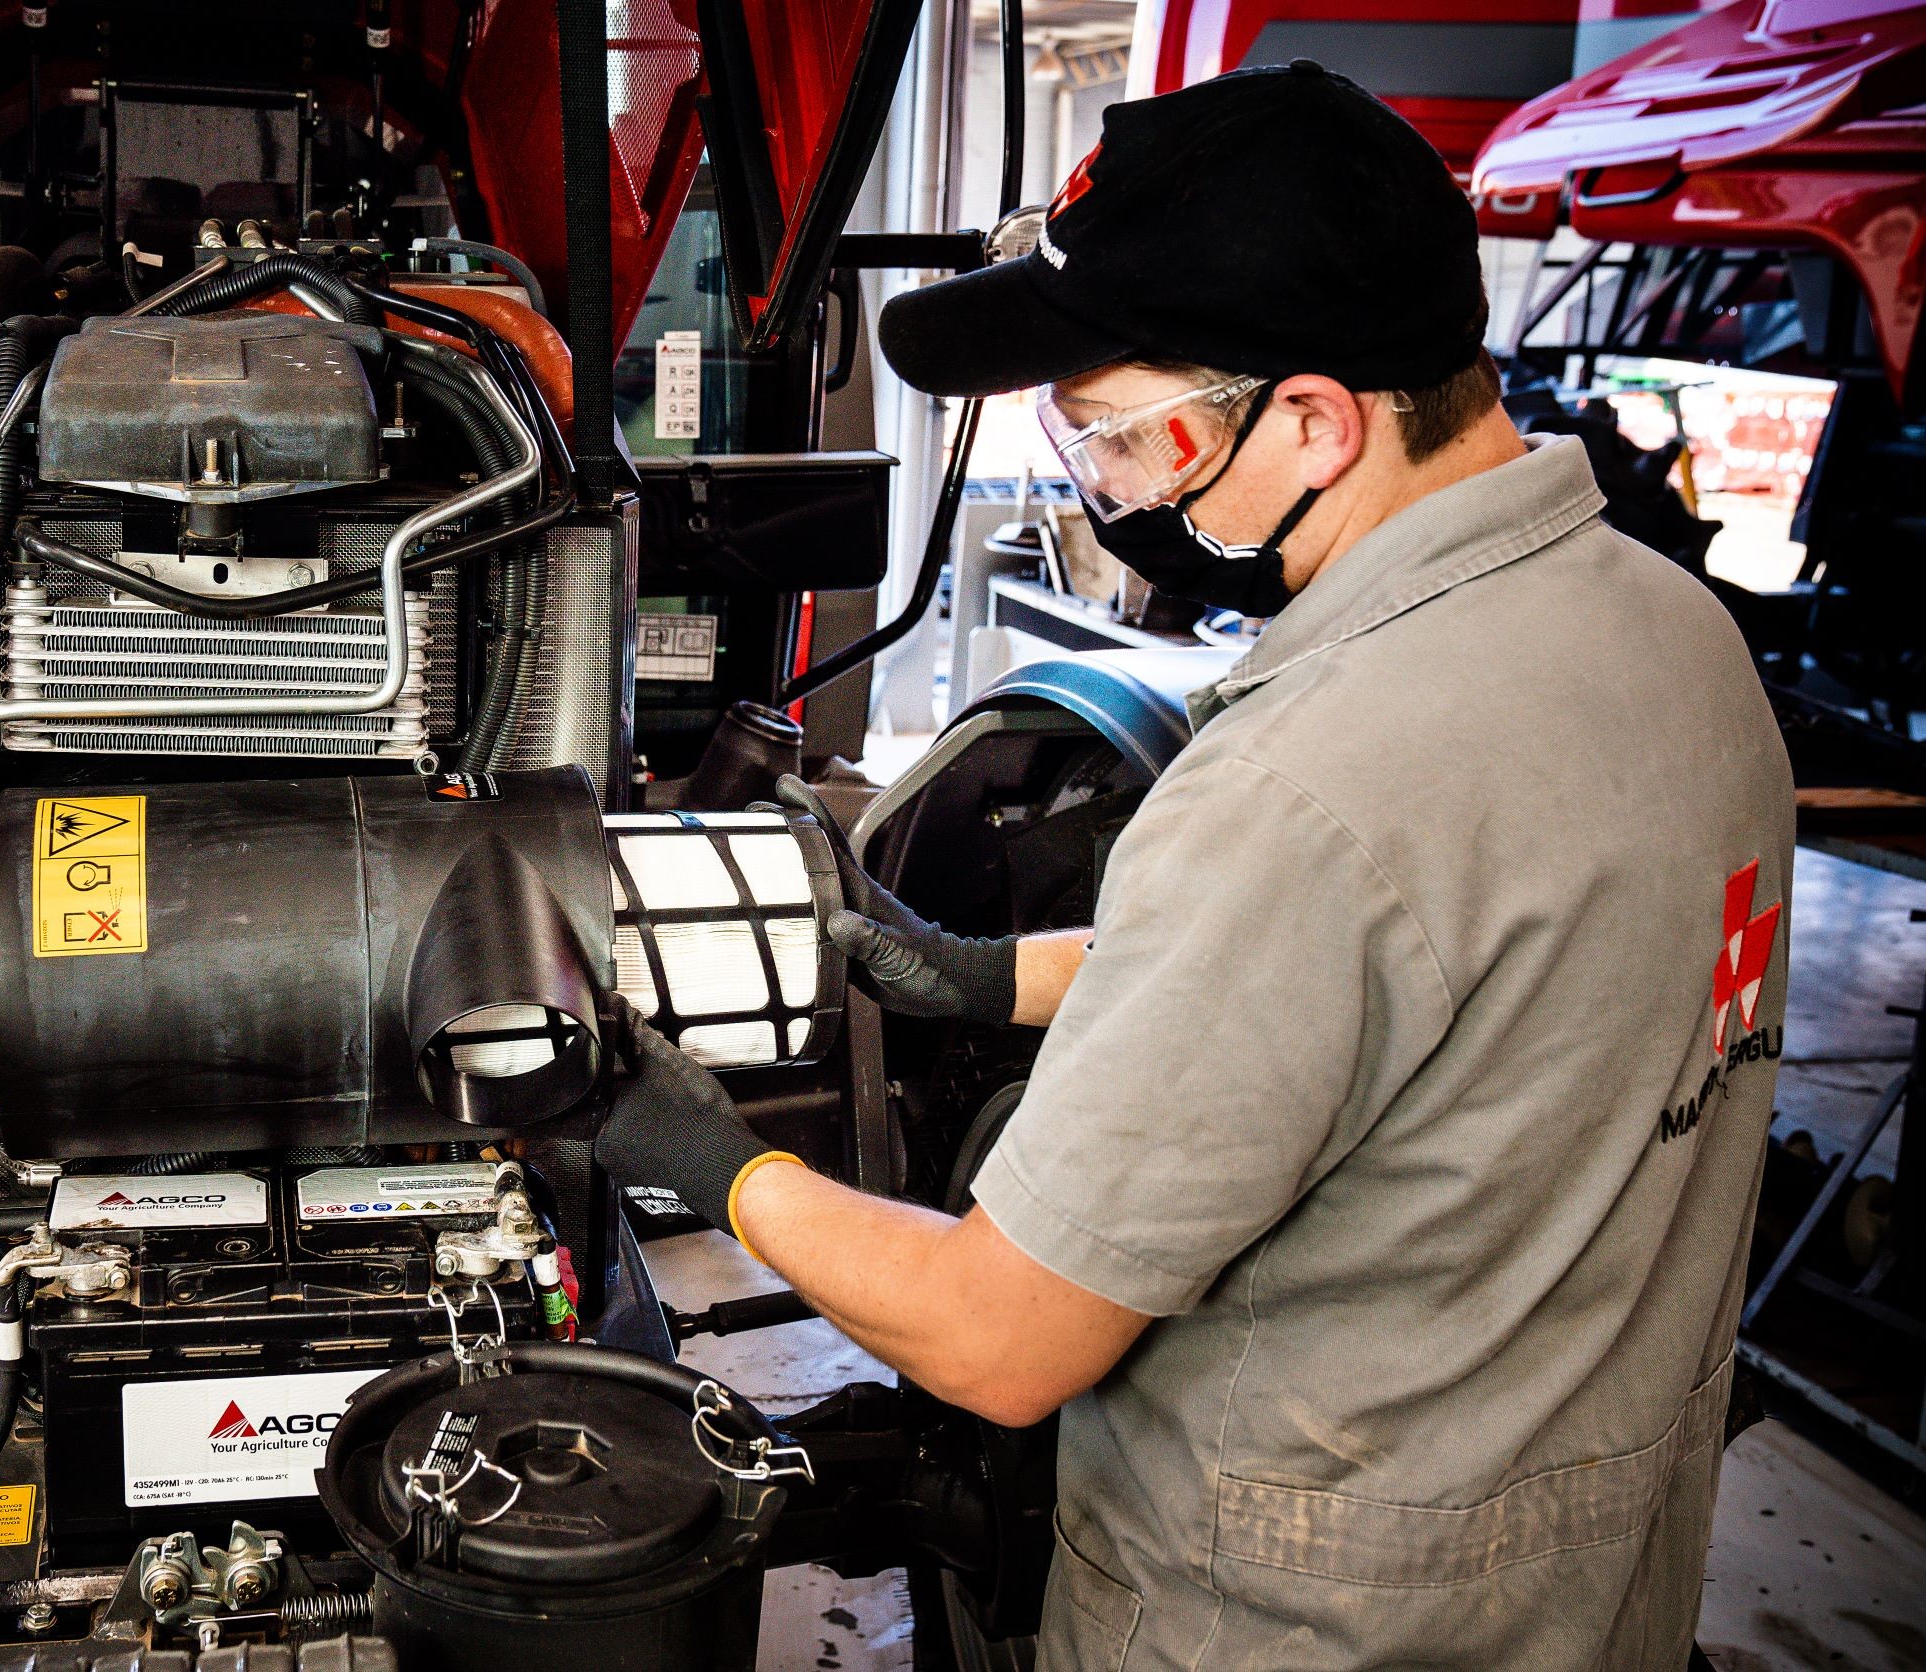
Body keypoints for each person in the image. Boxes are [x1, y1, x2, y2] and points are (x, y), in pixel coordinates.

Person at [596, 61, 1794, 1670]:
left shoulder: (1314, 780)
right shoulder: (1677, 645)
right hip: (1590, 1589)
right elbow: (1424, 996)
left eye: (1121, 440)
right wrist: (981, 978)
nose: (1108, 495)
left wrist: (719, 1164)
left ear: (1312, 418)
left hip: (1294, 1627)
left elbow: (998, 1335)